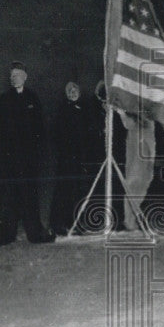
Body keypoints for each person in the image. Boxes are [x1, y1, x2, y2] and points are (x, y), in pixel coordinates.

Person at [0, 61, 55, 245]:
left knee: (29, 196)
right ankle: (6, 236)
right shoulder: (2, 100)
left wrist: (35, 154)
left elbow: (39, 130)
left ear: (25, 77)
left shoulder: (33, 99)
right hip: (9, 160)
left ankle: (35, 235)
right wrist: (3, 155)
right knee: (8, 197)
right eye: (12, 76)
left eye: (18, 75)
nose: (14, 78)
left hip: (28, 160)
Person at [49, 81, 105, 235]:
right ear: (66, 94)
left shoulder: (84, 110)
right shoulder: (62, 110)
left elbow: (89, 132)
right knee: (63, 191)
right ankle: (57, 225)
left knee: (79, 191)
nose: (72, 92)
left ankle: (76, 223)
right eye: (69, 90)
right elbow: (57, 135)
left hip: (81, 158)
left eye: (75, 90)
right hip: (67, 159)